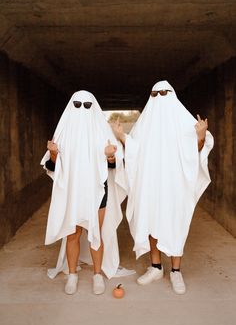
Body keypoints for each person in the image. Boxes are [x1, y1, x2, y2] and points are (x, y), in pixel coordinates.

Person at [112, 80, 214, 294]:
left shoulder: (184, 122)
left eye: (164, 93)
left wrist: (201, 136)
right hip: (150, 185)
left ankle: (176, 271)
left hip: (175, 185)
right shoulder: (144, 125)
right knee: (151, 222)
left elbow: (193, 151)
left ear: (172, 95)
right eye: (155, 93)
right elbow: (135, 151)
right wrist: (123, 138)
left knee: (176, 223)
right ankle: (156, 266)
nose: (159, 97)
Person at [41, 90, 127, 295]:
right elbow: (52, 167)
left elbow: (115, 166)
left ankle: (97, 275)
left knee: (95, 232)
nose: (82, 109)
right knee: (73, 234)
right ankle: (72, 275)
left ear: (94, 108)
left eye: (87, 105)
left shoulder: (102, 132)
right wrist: (53, 154)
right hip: (72, 192)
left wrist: (110, 157)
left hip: (98, 190)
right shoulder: (62, 133)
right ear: (71, 107)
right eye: (77, 105)